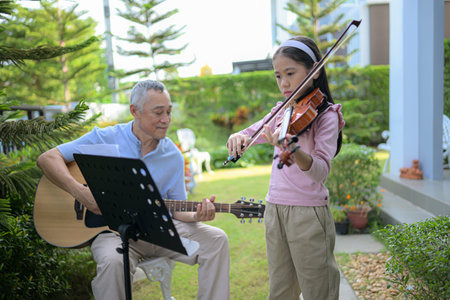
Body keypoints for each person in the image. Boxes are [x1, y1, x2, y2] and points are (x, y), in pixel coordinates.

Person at [37, 80, 230, 300]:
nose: (166, 120)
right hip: (113, 234)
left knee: (216, 240)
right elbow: (47, 159)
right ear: (134, 111)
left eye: (169, 112)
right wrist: (80, 193)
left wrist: (197, 214)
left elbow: (178, 208)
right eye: (158, 113)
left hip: (161, 234)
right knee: (112, 261)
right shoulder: (104, 137)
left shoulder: (173, 156)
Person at [226, 36, 344, 300]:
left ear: (313, 71)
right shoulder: (282, 112)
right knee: (280, 292)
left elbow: (320, 171)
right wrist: (236, 137)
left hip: (308, 215)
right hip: (275, 209)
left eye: (291, 73)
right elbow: (250, 133)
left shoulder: (326, 115)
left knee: (319, 291)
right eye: (278, 76)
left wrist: (293, 149)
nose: (284, 83)